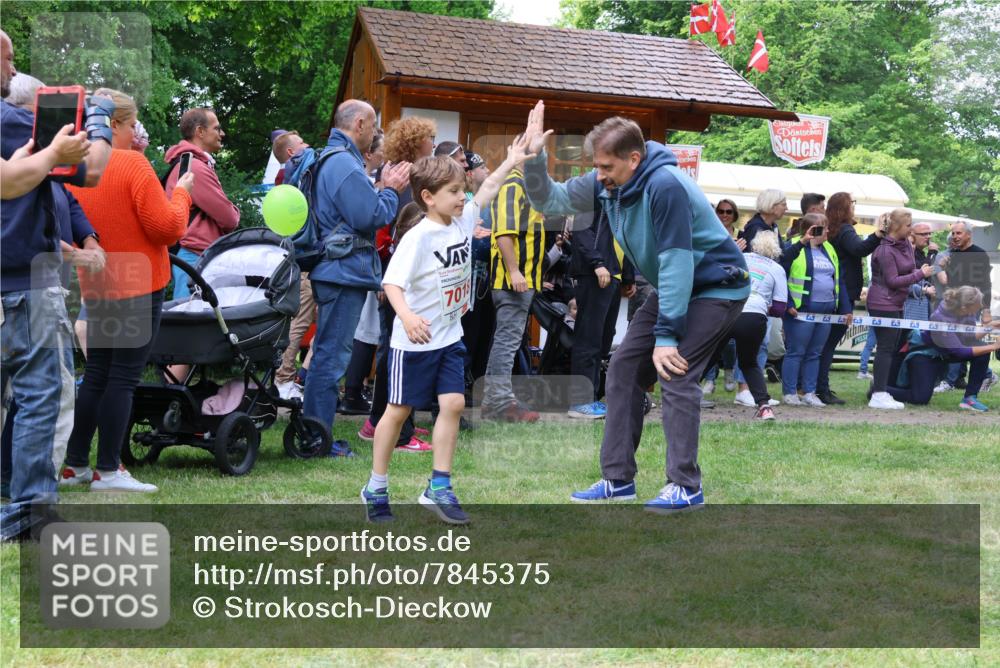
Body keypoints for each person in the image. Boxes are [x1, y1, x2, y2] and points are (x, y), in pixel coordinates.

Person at [521, 102, 749, 512]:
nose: (600, 174)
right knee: (625, 366)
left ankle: (686, 485)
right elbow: (550, 200)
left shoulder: (666, 186)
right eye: (597, 166)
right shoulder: (606, 183)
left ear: (634, 158)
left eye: (606, 166)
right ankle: (617, 480)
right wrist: (535, 157)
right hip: (675, 283)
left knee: (674, 369)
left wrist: (666, 336)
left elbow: (677, 261)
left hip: (716, 286)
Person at [362, 140, 531, 525]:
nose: (462, 197)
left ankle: (438, 486)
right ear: (428, 197)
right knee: (398, 410)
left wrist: (511, 160)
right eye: (454, 192)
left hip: (449, 337)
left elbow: (486, 191)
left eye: (462, 190)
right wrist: (406, 317)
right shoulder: (418, 238)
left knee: (453, 403)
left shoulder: (461, 221)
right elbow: (391, 285)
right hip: (414, 343)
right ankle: (376, 485)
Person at [1, 29, 115, 541]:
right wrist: (99, 121)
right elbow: (90, 172)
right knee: (41, 395)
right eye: (6, 60)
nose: (12, 69)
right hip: (26, 281)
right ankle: (31, 513)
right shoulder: (9, 121)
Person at [61, 88, 194, 492]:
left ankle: (75, 464)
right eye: (132, 122)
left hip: (97, 281)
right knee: (123, 377)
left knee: (97, 374)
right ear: (115, 124)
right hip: (138, 283)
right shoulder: (133, 164)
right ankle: (108, 469)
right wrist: (183, 191)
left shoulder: (75, 167)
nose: (136, 130)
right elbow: (167, 228)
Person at [303, 99, 410, 448]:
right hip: (340, 272)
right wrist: (391, 190)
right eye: (376, 127)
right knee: (332, 358)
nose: (377, 134)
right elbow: (370, 216)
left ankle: (315, 432)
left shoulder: (332, 159)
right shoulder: (345, 165)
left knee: (328, 354)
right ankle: (317, 438)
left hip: (334, 270)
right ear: (360, 124)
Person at [479, 135, 549, 423]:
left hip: (523, 279)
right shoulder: (513, 184)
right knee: (506, 342)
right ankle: (499, 402)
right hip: (512, 281)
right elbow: (505, 232)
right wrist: (514, 270)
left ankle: (495, 400)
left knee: (508, 339)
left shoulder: (525, 186)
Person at [164, 107, 241, 300]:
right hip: (194, 256)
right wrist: (235, 211)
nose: (221, 134)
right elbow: (229, 218)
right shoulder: (195, 167)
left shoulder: (189, 163)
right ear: (200, 131)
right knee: (190, 319)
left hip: (190, 255)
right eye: (216, 128)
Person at [566, 202, 634, 419]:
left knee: (603, 340)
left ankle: (591, 398)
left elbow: (625, 239)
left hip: (613, 276)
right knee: (588, 339)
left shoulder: (620, 203)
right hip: (595, 275)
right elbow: (582, 232)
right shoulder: (592, 197)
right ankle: (580, 402)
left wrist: (628, 276)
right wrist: (596, 263)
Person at [814, 192, 883, 405]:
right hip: (843, 293)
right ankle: (821, 388)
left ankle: (816, 386)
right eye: (852, 203)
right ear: (845, 207)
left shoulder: (832, 230)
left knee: (822, 344)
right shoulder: (845, 230)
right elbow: (859, 249)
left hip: (830, 291)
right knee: (828, 344)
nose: (854, 207)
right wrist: (878, 234)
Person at [779, 213, 852, 407]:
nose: (827, 231)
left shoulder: (829, 248)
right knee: (796, 352)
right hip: (800, 311)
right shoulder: (794, 245)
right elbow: (780, 271)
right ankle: (789, 392)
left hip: (826, 312)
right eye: (823, 228)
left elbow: (839, 280)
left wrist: (845, 308)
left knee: (815, 353)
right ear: (810, 229)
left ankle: (809, 392)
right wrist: (788, 304)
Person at [888, 286, 1000, 410]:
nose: (975, 313)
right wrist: (994, 346)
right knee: (920, 398)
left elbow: (969, 336)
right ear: (964, 308)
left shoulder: (965, 311)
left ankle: (969, 399)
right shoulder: (940, 317)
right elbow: (960, 352)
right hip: (927, 354)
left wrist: (991, 327)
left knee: (982, 352)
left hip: (947, 353)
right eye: (974, 310)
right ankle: (880, 389)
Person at [866, 209, 934, 410]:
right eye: (907, 225)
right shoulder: (884, 250)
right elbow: (892, 281)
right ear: (896, 227)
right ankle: (878, 393)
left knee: (893, 347)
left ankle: (883, 389)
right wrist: (919, 275)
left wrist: (916, 270)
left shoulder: (904, 244)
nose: (911, 228)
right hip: (882, 303)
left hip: (897, 302)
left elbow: (908, 268)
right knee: (886, 348)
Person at [731, 231, 788, 420]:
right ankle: (764, 406)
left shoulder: (741, 256)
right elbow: (780, 308)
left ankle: (683, 393)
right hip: (754, 317)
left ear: (754, 245)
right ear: (776, 249)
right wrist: (764, 306)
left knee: (708, 356)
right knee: (749, 362)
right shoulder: (776, 268)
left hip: (728, 310)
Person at [934, 221, 994, 393]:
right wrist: (945, 267)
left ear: (968, 234)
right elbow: (949, 283)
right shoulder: (952, 254)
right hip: (953, 307)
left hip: (971, 307)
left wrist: (986, 311)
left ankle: (951, 381)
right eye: (953, 233)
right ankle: (986, 374)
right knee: (955, 341)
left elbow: (985, 284)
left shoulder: (979, 254)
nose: (955, 237)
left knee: (963, 341)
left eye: (959, 233)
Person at [460, 151, 496, 397]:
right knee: (468, 333)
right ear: (471, 173)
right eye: (483, 167)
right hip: (467, 278)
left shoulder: (490, 201)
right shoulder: (467, 201)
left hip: (487, 277)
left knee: (484, 333)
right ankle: (460, 383)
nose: (488, 171)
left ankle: (476, 382)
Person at [903, 222, 938, 322]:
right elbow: (922, 275)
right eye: (923, 234)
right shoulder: (906, 255)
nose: (928, 237)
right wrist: (932, 254)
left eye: (929, 234)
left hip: (921, 307)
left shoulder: (921, 253)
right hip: (909, 308)